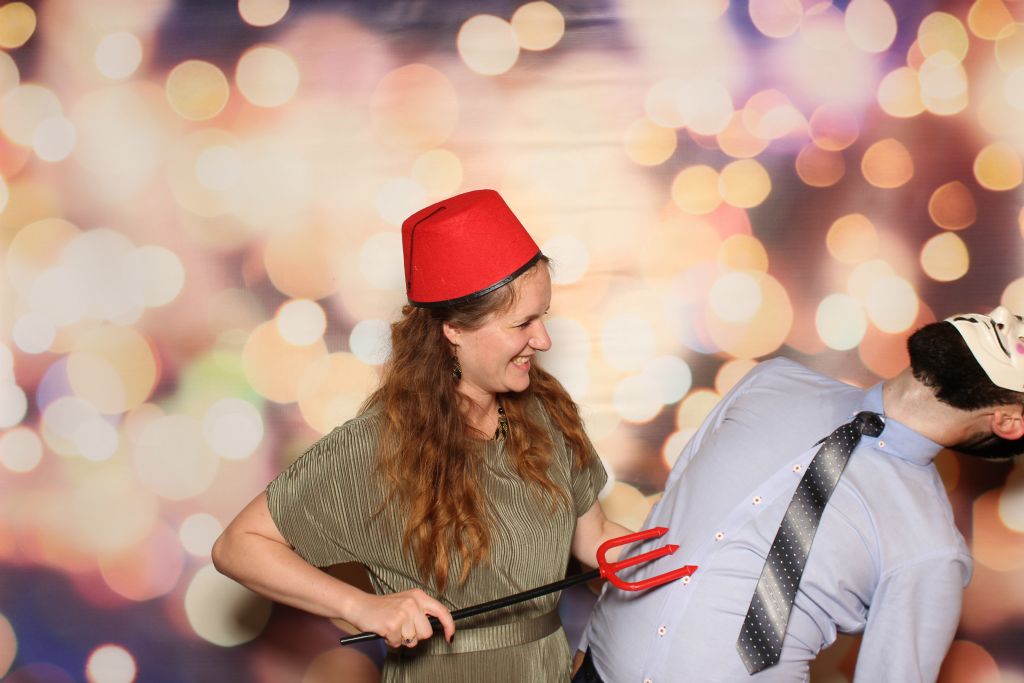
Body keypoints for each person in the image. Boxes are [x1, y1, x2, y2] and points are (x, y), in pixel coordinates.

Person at [212, 189, 629, 682]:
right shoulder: (378, 444)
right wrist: (361, 606)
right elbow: (238, 545)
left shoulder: (547, 410)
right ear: (454, 329)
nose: (543, 340)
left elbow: (596, 539)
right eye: (523, 323)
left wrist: (692, 552)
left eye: (544, 316)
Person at [574, 307, 1024, 682]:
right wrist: (588, 648)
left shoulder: (931, 550)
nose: (1001, 316)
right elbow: (672, 512)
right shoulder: (771, 382)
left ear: (1009, 421)